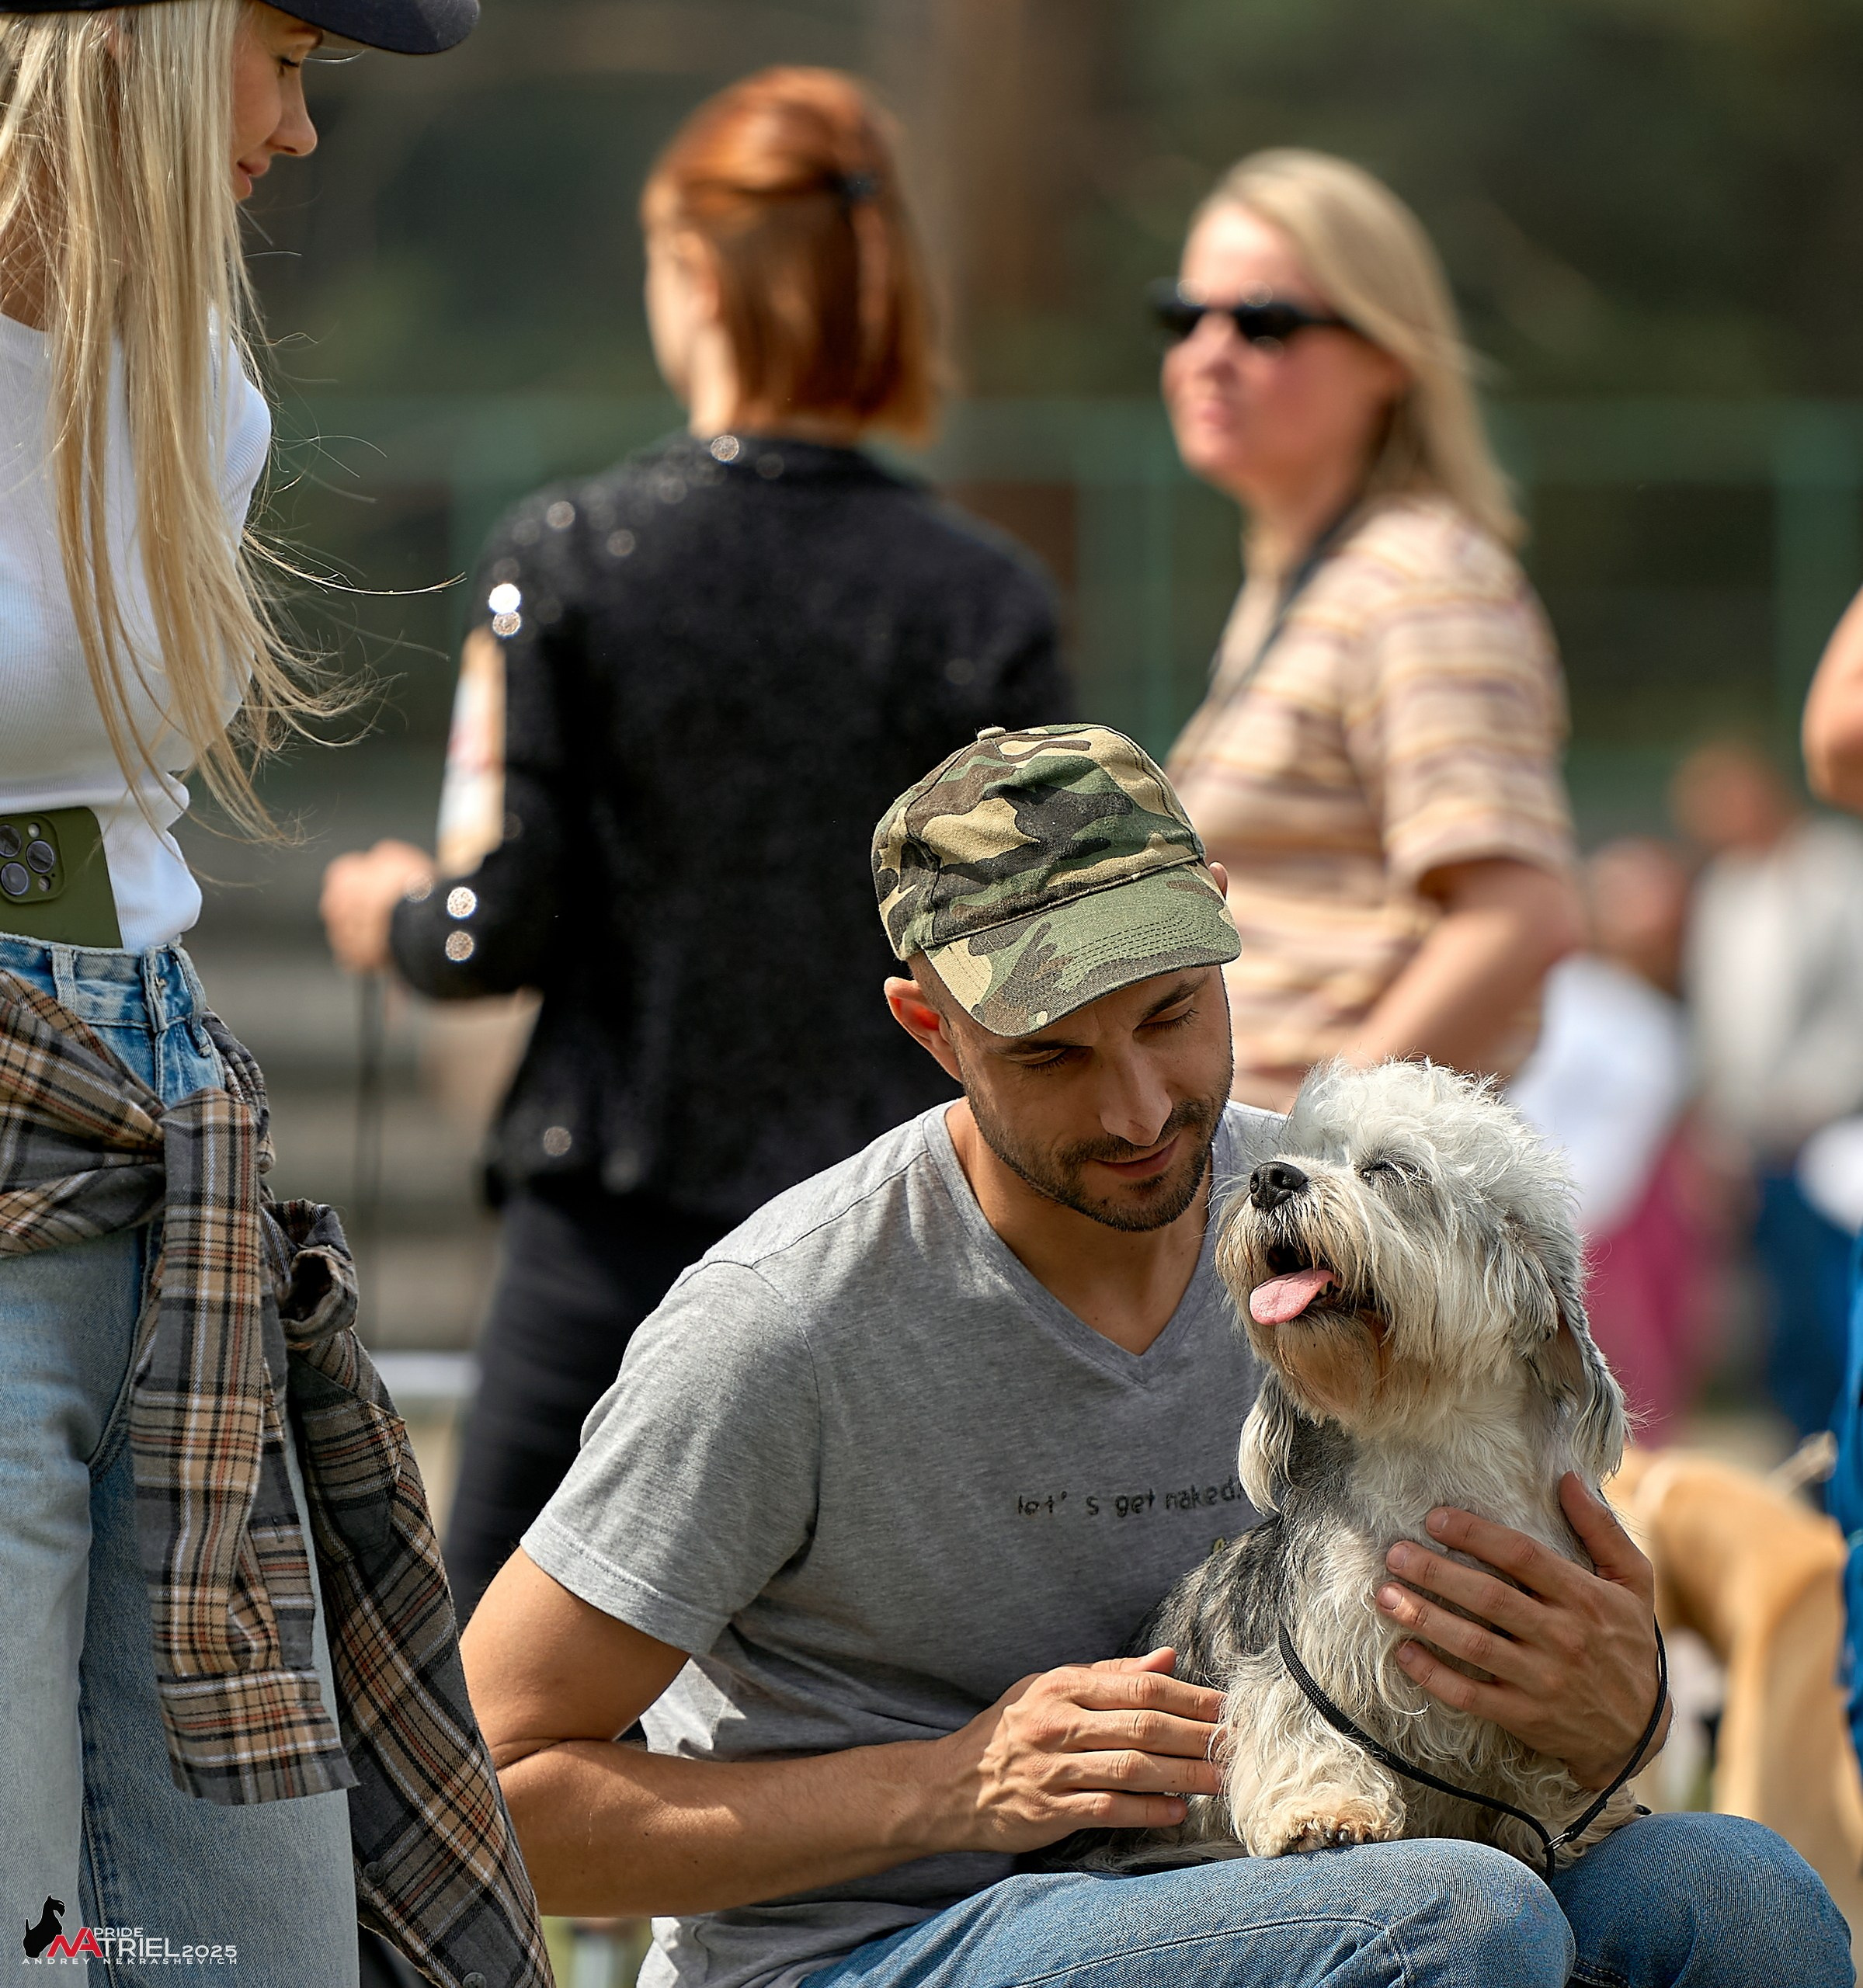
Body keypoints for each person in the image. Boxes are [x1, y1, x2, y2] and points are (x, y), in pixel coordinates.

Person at [460, 721, 1849, 1988]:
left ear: (1223, 930)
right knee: (1445, 1920)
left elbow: (1576, 1664)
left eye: (1171, 1015)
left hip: (1267, 1887)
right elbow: (484, 1793)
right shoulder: (781, 1323)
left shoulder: (1339, 1230)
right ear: (928, 1029)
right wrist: (946, 1787)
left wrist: (1616, 1697)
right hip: (876, 1945)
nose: (1136, 1110)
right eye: (1051, 1056)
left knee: (1736, 1897)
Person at [318, 66, 1068, 1621]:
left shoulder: (570, 559)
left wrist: (387, 913)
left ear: (692, 276)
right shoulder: (981, 598)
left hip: (605, 1227)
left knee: (483, 1701)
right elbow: (1027, 956)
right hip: (885, 1242)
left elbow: (487, 927)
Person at [0, 4, 547, 1984]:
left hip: (163, 1121)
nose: (302, 130)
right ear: (144, 38)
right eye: (289, 52)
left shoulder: (195, 369)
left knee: (258, 1932)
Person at [1160, 149, 1583, 1110]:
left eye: (1263, 321)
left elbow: (1518, 918)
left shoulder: (1417, 580)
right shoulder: (1311, 578)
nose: (1207, 352)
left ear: (1389, 355)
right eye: (1183, 316)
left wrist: (1308, 1156)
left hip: (1327, 1226)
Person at [1670, 738, 1863, 1437]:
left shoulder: (1839, 869)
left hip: (1835, 1135)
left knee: (1840, 1312)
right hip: (1755, 1147)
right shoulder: (1726, 888)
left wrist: (1812, 1103)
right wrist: (1717, 1134)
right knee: (1788, 1325)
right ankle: (1810, 1472)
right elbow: (1717, 1027)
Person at [1509, 839, 1724, 1440]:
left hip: (1640, 1219)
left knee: (1643, 1384)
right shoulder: (1561, 994)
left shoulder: (1666, 1013)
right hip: (1573, 1212)